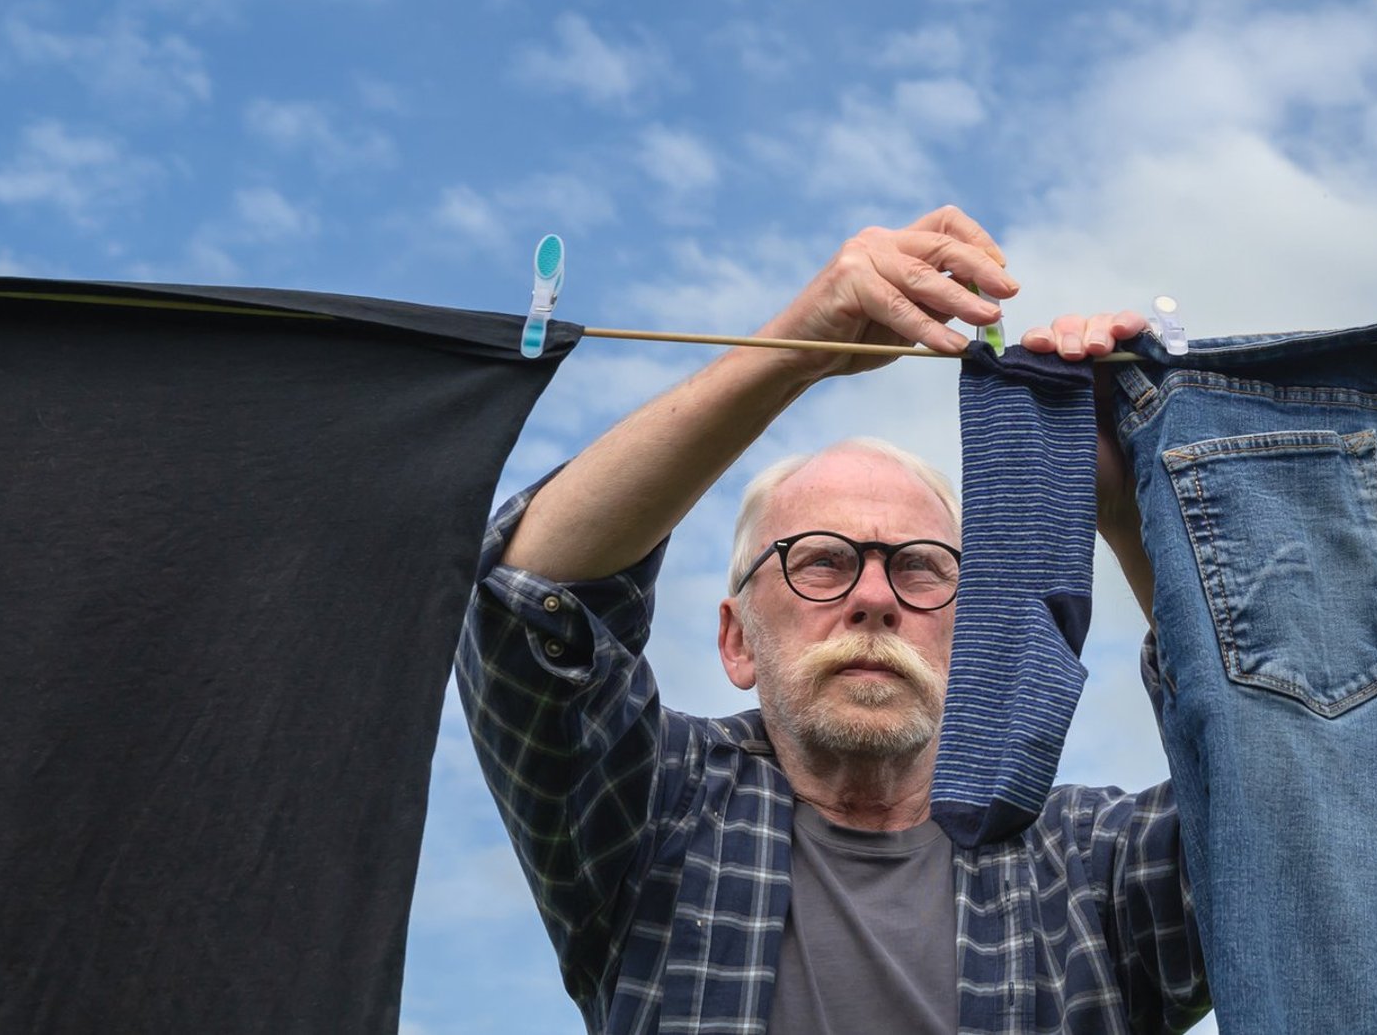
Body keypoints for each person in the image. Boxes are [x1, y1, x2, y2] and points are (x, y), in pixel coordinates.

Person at [456, 205, 1209, 1034]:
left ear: (970, 631)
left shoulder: (1090, 866)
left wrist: (1133, 506)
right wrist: (797, 348)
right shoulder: (658, 814)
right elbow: (530, 600)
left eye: (920, 566)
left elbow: (1287, 808)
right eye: (821, 560)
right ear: (737, 640)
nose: (876, 597)